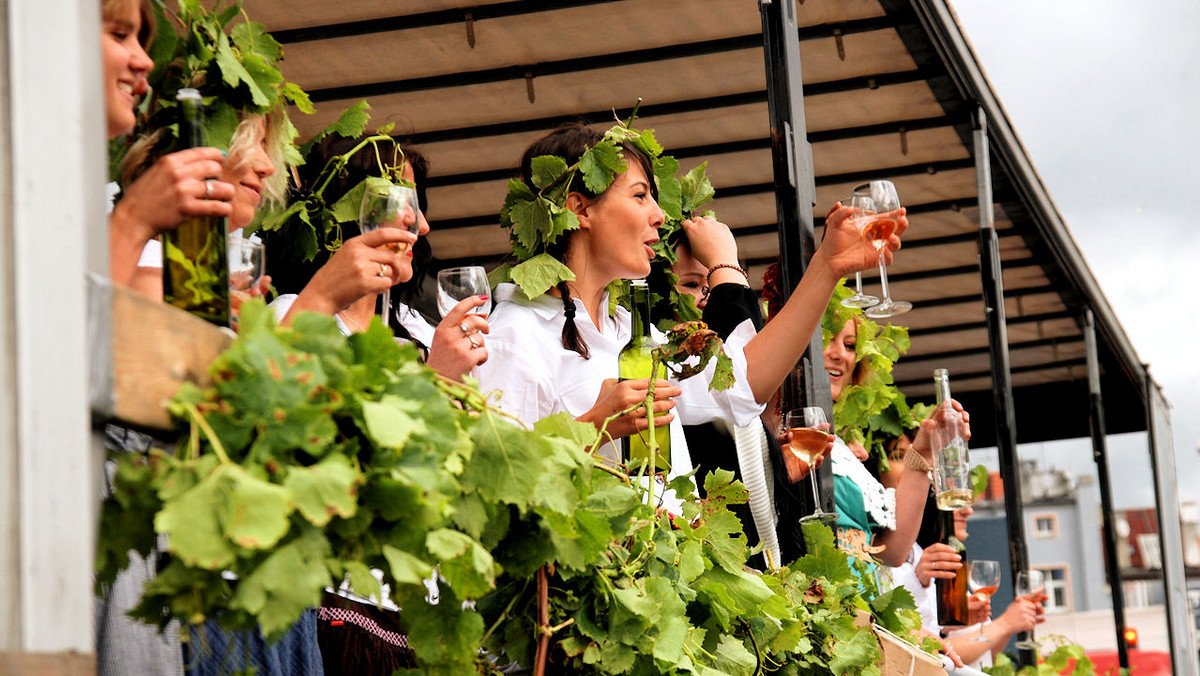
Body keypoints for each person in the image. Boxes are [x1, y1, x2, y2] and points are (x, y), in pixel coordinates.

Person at [476, 122, 904, 513]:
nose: (660, 216)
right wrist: (595, 427)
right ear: (580, 209)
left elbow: (740, 385)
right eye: (641, 195)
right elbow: (495, 486)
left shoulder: (629, 330)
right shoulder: (515, 334)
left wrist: (826, 267)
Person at [267, 136, 488, 382]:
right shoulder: (292, 315)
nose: (421, 226)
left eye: (416, 205)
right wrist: (439, 376)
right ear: (353, 211)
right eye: (399, 201)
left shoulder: (414, 326)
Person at [822, 310, 969, 568]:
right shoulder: (773, 419)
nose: (839, 354)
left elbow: (891, 552)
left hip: (859, 604)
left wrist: (923, 450)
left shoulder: (841, 447)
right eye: (825, 339)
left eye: (849, 345)